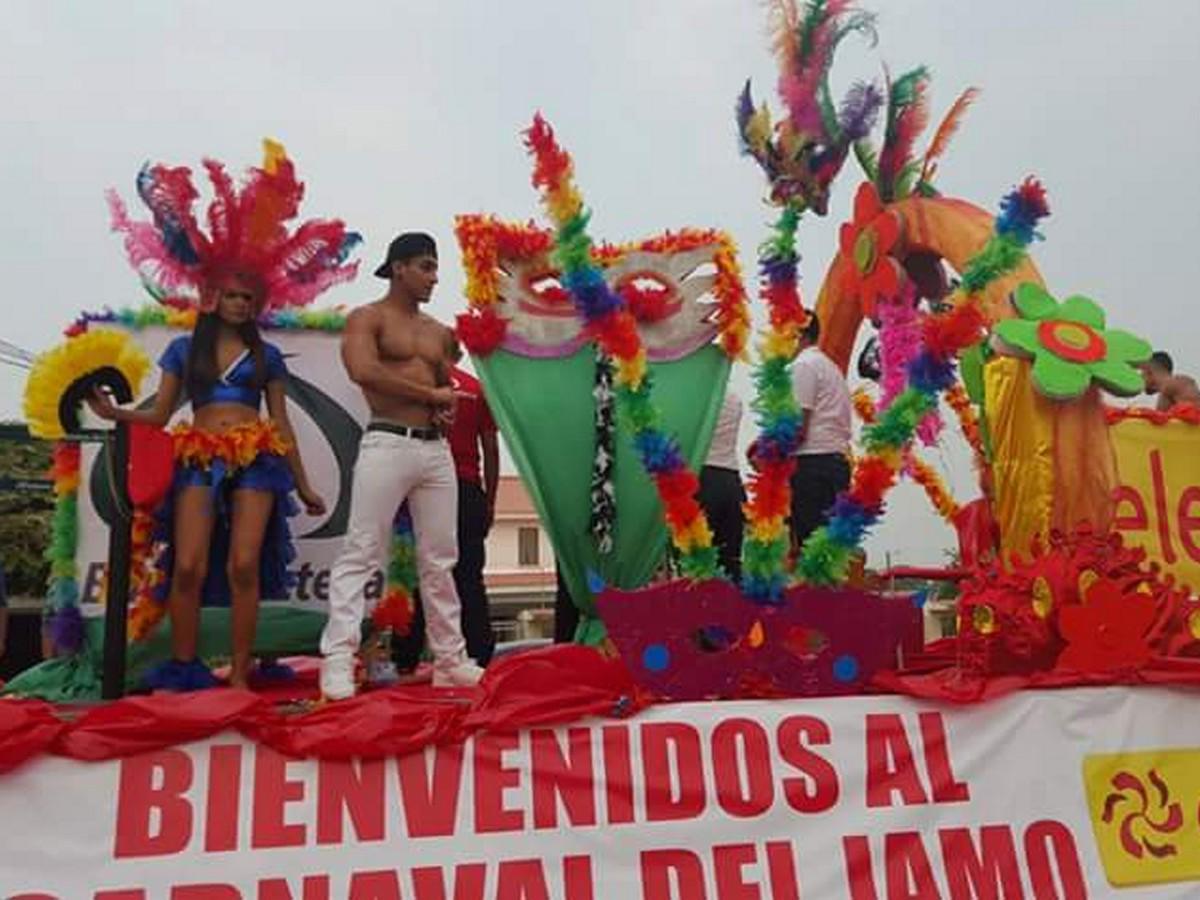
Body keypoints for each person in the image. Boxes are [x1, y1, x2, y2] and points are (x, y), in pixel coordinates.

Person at [89, 273, 326, 690]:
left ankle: (239, 671)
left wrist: (303, 485)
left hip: (255, 458)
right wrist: (115, 415)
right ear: (213, 299)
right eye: (231, 295)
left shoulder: (266, 355)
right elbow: (160, 414)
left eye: (247, 297)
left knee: (245, 563)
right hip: (198, 456)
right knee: (186, 565)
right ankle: (185, 665)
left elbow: (281, 421)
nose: (239, 303)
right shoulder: (184, 349)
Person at [320, 233, 484, 698]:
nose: (434, 277)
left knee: (441, 558)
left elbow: (439, 384)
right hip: (386, 441)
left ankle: (451, 660)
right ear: (398, 268)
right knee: (362, 550)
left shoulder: (437, 331)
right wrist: (430, 395)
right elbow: (363, 371)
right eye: (426, 267)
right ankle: (337, 658)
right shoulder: (366, 318)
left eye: (436, 268)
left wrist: (442, 407)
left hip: (434, 451)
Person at [391, 343, 500, 671]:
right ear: (458, 355)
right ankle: (479, 655)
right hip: (467, 488)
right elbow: (491, 447)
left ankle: (406, 657)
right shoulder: (476, 389)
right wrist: (488, 498)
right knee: (468, 575)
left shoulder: (414, 389)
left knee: (418, 572)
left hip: (423, 488)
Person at [789, 314, 852, 550]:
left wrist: (768, 455)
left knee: (813, 549)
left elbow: (798, 429)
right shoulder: (830, 367)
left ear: (798, 335)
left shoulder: (803, 366)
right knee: (831, 551)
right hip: (835, 462)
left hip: (813, 465)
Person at [698, 392, 745, 581]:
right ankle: (731, 607)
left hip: (704, 477)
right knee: (730, 559)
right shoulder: (735, 399)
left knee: (698, 557)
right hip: (731, 478)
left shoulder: (700, 396)